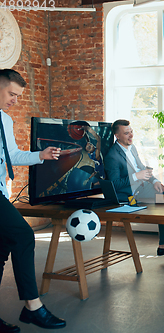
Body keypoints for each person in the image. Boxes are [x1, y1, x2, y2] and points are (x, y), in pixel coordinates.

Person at [0, 69, 66, 332]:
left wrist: (41, 155)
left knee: (3, 247)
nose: (15, 100)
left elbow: (12, 154)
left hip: (1, 191)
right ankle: (33, 307)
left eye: (18, 96)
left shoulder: (4, 120)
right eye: (11, 94)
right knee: (25, 236)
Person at [104, 119, 164, 256]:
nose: (131, 136)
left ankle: (163, 245)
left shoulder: (132, 148)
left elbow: (141, 169)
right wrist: (136, 176)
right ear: (117, 136)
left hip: (143, 187)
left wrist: (155, 181)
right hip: (132, 195)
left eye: (131, 131)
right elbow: (114, 184)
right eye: (126, 133)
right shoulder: (112, 156)